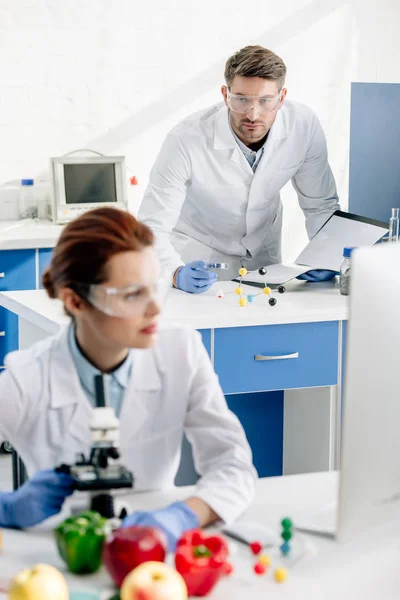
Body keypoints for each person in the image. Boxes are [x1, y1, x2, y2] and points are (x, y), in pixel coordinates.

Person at [0, 207, 256, 549]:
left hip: (154, 552)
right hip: (59, 553)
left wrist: (184, 515)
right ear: (75, 301)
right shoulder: (27, 378)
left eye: (155, 287)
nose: (155, 309)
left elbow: (233, 464)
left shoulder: (180, 350)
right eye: (132, 295)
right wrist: (8, 508)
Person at [139, 45, 340, 292]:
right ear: (225, 95)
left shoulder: (303, 127)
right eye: (242, 99)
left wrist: (328, 254)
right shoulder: (186, 139)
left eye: (266, 101)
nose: (253, 114)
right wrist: (174, 272)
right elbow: (152, 225)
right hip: (200, 258)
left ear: (282, 97)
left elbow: (320, 205)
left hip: (264, 261)